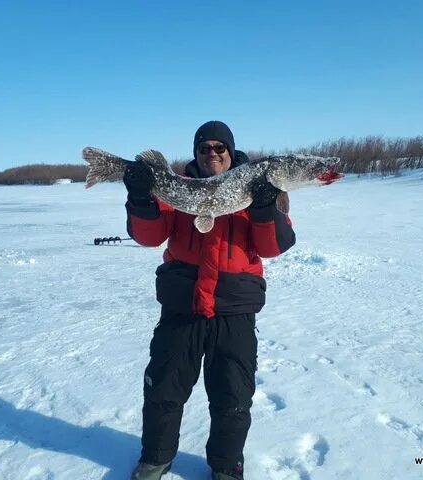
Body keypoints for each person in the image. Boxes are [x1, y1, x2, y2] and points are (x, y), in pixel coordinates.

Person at [124, 121, 296, 480]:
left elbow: (274, 246)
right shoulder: (179, 186)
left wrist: (265, 208)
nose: (213, 153)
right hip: (181, 307)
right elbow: (149, 235)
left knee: (232, 398)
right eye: (205, 148)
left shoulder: (260, 187)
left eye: (220, 148)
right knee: (164, 390)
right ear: (196, 153)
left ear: (231, 152)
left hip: (234, 310)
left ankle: (227, 467)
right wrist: (141, 199)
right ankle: (155, 459)